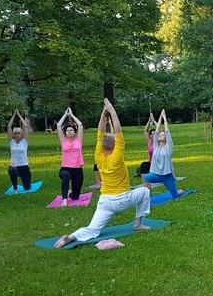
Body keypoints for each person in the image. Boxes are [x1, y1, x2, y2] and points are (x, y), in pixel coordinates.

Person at [54, 98, 151, 248]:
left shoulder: (98, 155)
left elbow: (100, 133)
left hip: (105, 201)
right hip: (122, 199)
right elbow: (118, 130)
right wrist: (111, 110)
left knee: (93, 229)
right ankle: (138, 224)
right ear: (114, 145)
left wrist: (103, 114)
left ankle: (71, 236)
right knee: (145, 191)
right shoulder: (117, 157)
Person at [143, 109, 184, 198]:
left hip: (167, 176)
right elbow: (157, 131)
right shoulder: (155, 146)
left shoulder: (168, 147)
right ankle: (147, 196)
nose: (162, 136)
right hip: (156, 175)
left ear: (165, 138)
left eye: (163, 135)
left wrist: (164, 118)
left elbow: (167, 132)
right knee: (146, 177)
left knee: (175, 196)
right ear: (157, 138)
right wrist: (160, 117)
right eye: (160, 135)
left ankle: (179, 192)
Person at [57, 107, 85, 206]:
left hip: (77, 169)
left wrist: (72, 115)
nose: (69, 131)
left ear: (74, 132)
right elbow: (59, 125)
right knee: (65, 176)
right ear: (65, 132)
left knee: (75, 197)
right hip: (65, 168)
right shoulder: (63, 141)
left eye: (71, 130)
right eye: (67, 130)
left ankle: (70, 193)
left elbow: (80, 125)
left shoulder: (79, 140)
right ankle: (64, 199)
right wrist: (65, 115)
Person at [6, 110, 32, 193]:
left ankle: (27, 184)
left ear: (21, 134)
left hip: (24, 166)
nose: (17, 135)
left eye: (19, 133)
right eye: (15, 133)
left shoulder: (25, 142)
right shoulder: (11, 142)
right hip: (14, 166)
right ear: (13, 134)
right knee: (12, 170)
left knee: (27, 188)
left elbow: (25, 126)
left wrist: (19, 115)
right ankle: (15, 189)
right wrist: (14, 114)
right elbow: (9, 127)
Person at [138, 113, 155, 177]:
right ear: (150, 135)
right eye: (152, 134)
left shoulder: (159, 142)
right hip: (150, 163)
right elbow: (145, 131)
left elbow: (161, 130)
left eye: (154, 133)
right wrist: (149, 121)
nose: (153, 135)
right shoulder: (149, 143)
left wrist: (154, 120)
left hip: (157, 164)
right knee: (143, 165)